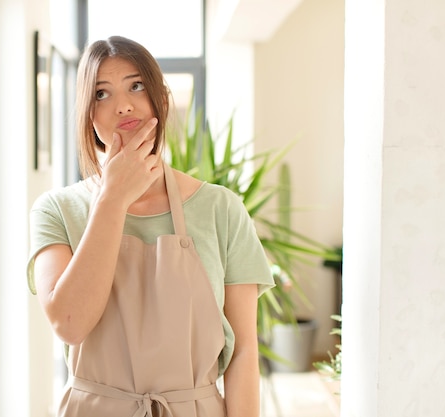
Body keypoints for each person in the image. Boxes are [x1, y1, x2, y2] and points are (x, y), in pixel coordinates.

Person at [27, 36, 275, 417]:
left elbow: (243, 352)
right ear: (87, 114)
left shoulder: (220, 209)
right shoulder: (56, 211)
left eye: (136, 86)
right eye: (101, 93)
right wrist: (112, 199)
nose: (123, 104)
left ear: (160, 96)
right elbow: (70, 324)